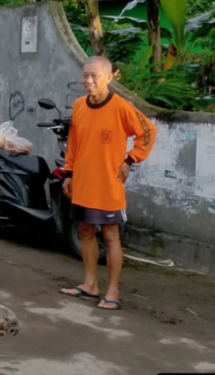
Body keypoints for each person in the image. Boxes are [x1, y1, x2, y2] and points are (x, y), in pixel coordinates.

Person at [59, 56, 155, 311]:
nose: (88, 81)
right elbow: (74, 143)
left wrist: (130, 159)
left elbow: (147, 133)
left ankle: (113, 291)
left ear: (109, 77)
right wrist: (68, 173)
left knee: (111, 236)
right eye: (85, 76)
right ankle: (90, 283)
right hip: (82, 181)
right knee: (85, 232)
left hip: (109, 184)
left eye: (94, 76)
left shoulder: (121, 107)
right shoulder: (79, 105)